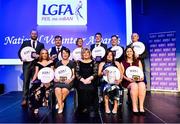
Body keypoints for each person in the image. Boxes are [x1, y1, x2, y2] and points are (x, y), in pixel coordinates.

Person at [18, 29, 44, 107]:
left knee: (36, 83)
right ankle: (25, 99)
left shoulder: (41, 44)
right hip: (27, 65)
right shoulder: (25, 43)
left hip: (36, 66)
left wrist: (39, 56)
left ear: (37, 35)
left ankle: (33, 99)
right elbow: (20, 52)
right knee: (26, 82)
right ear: (30, 34)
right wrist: (22, 58)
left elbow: (43, 55)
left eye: (35, 34)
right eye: (32, 34)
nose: (34, 35)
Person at [120, 47, 146, 115]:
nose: (129, 53)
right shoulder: (122, 63)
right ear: (125, 53)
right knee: (134, 85)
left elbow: (141, 72)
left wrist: (142, 78)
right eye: (127, 51)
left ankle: (141, 107)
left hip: (137, 79)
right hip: (127, 81)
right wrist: (128, 79)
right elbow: (122, 75)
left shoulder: (138, 61)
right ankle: (134, 107)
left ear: (133, 52)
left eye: (130, 51)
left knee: (142, 85)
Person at [29, 49, 54, 114]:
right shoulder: (37, 63)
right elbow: (36, 73)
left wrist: (48, 82)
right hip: (40, 81)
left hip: (49, 81)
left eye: (45, 53)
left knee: (43, 88)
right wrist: (33, 80)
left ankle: (44, 103)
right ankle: (36, 107)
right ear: (40, 54)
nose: (44, 55)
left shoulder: (51, 62)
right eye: (42, 53)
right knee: (33, 90)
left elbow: (52, 73)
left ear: (47, 54)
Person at [75, 48, 98, 117]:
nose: (86, 54)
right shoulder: (78, 62)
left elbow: (95, 73)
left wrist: (89, 79)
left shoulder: (94, 62)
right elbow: (77, 73)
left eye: (87, 52)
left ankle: (90, 107)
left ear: (90, 54)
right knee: (82, 89)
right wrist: (83, 80)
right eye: (84, 53)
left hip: (91, 80)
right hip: (81, 80)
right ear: (82, 54)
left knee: (91, 89)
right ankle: (82, 107)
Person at [98, 50, 123, 114]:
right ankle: (106, 105)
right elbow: (98, 74)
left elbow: (121, 74)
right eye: (108, 55)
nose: (109, 56)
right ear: (105, 56)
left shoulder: (117, 63)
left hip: (115, 81)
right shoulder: (102, 63)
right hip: (105, 81)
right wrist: (103, 73)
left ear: (113, 56)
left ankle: (115, 105)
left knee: (116, 87)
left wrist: (120, 80)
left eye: (111, 55)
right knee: (106, 87)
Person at [54, 48, 75, 114]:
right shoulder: (58, 63)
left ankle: (59, 104)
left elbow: (73, 75)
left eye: (66, 53)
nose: (65, 54)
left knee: (64, 90)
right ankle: (61, 105)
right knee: (57, 89)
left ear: (69, 54)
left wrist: (70, 80)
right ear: (61, 54)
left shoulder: (72, 63)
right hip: (59, 81)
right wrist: (55, 78)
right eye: (63, 53)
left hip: (68, 81)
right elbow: (55, 74)